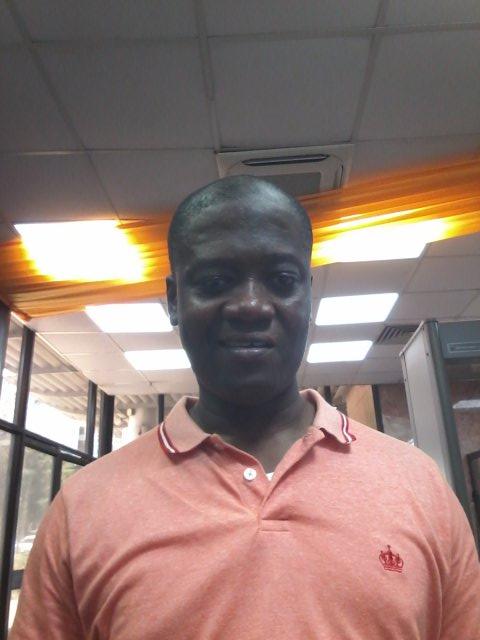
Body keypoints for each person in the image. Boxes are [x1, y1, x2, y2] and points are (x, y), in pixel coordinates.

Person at [10, 177, 480, 639]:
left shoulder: (419, 487)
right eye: (216, 281)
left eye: (281, 280)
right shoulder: (84, 507)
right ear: (174, 301)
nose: (252, 305)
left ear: (308, 295)